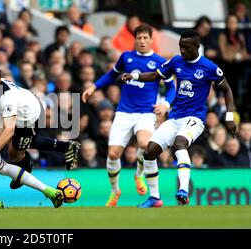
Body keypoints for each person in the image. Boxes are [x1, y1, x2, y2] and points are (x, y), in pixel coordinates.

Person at [121, 29, 237, 207]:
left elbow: (227, 90)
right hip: (175, 118)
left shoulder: (209, 67)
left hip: (195, 118)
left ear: (197, 47)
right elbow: (155, 75)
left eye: (186, 47)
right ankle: (154, 198)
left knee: (179, 143)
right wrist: (134, 76)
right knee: (149, 152)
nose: (182, 51)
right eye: (180, 47)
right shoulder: (176, 61)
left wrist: (229, 117)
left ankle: (183, 190)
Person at [82, 24, 176, 207]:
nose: (141, 41)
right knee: (113, 154)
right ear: (135, 39)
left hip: (146, 113)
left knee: (144, 144)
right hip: (124, 112)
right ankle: (115, 191)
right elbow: (111, 75)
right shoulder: (126, 57)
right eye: (138, 38)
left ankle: (139, 173)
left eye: (145, 38)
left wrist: (165, 104)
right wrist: (94, 87)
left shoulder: (160, 62)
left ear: (151, 40)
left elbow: (172, 87)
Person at [0, 63, 80, 190]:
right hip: (20, 113)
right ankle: (67, 147)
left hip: (31, 116)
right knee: (19, 147)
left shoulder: (6, 97)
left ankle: (26, 170)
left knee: (15, 152)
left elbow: (9, 129)